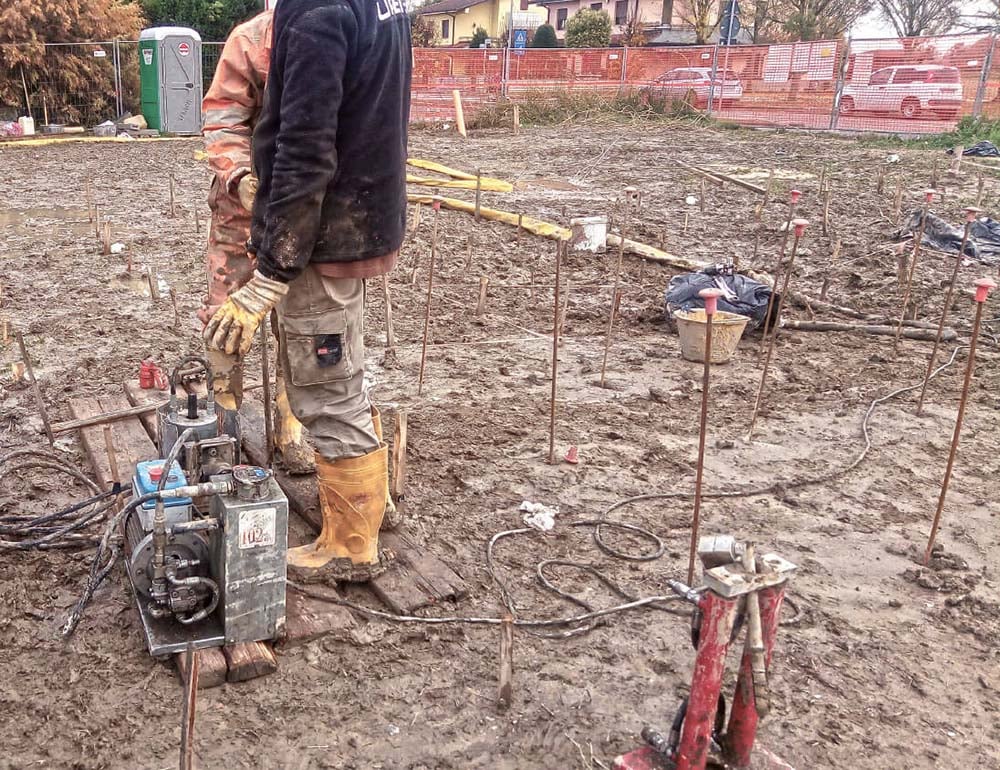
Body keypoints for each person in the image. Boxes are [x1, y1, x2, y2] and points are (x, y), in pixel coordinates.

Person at [204, 0, 411, 582]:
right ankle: (359, 516)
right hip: (356, 220)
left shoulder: (315, 10)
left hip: (321, 232)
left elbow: (305, 148)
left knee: (326, 384)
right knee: (340, 371)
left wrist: (273, 269)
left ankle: (350, 543)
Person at [200, 2, 314, 475]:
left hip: (302, 213)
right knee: (224, 319)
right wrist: (240, 174)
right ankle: (222, 429)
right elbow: (223, 117)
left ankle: (290, 431)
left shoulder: (333, 32)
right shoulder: (250, 41)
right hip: (240, 212)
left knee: (298, 325)